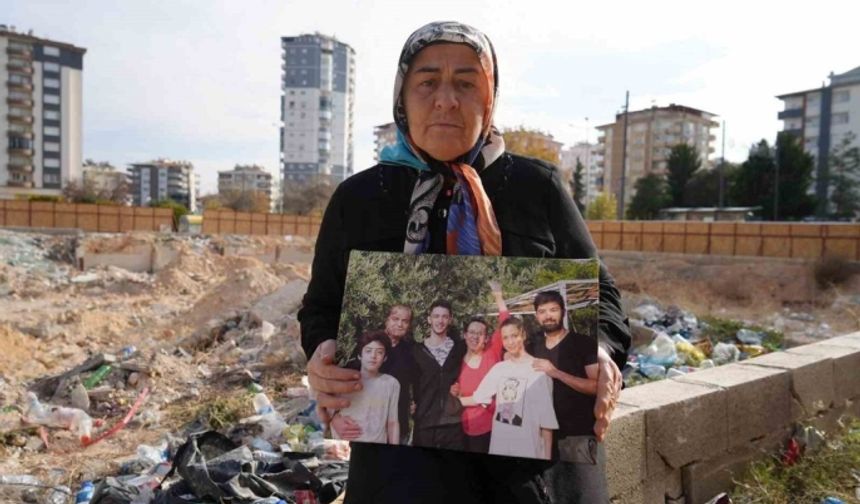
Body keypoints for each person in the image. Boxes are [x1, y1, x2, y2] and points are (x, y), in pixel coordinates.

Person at [299, 20, 630, 504]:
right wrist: (322, 354)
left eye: (466, 82)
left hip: (534, 475)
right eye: (428, 81)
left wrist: (600, 354)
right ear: (402, 96)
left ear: (489, 96)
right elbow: (321, 307)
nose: (446, 99)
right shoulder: (360, 199)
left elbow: (605, 302)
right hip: (403, 473)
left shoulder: (537, 188)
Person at [529, 290, 606, 500]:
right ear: (536, 316)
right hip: (542, 437)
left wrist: (555, 372)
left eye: (553, 310)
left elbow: (595, 386)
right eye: (542, 311)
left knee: (582, 495)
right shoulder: (532, 345)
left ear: (563, 312)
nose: (548, 316)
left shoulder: (583, 343)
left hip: (576, 436)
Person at [457, 317, 558, 460]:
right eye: (505, 338)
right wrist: (445, 403)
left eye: (514, 336)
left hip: (528, 447)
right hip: (500, 445)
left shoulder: (540, 370)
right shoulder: (499, 369)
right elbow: (478, 397)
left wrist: (546, 457)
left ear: (523, 334)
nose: (510, 342)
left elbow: (547, 422)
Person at [333, 304, 415, 444]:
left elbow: (419, 383)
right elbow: (336, 391)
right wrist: (335, 420)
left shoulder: (411, 351)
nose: (400, 324)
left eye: (405, 321)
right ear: (386, 320)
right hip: (361, 430)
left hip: (396, 427)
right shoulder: (368, 345)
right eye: (395, 319)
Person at [451, 280, 510, 453]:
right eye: (472, 332)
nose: (475, 337)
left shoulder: (492, 352)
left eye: (480, 333)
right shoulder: (457, 361)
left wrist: (498, 295)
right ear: (465, 335)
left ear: (486, 338)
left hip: (493, 426)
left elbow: (505, 321)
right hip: (464, 427)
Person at [411, 300, 466, 450]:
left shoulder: (460, 348)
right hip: (425, 422)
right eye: (436, 316)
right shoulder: (416, 351)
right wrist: (408, 402)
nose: (440, 321)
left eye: (444, 317)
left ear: (450, 319)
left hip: (453, 424)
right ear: (429, 319)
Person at [331, 331, 400, 444]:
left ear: (385, 358)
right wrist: (334, 420)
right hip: (345, 444)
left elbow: (392, 422)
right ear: (360, 356)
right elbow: (327, 412)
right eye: (368, 351)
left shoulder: (391, 383)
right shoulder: (345, 380)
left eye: (379, 352)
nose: (373, 356)